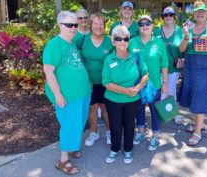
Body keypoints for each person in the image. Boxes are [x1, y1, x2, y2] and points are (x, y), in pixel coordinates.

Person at [43, 11, 92, 175]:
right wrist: (58, 95)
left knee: (79, 122)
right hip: (68, 96)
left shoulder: (71, 43)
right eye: (69, 25)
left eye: (75, 25)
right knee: (70, 125)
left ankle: (71, 148)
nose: (73, 28)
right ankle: (63, 161)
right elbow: (49, 72)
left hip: (82, 93)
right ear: (60, 25)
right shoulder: (54, 45)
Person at [178, 1, 207, 146]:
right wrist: (186, 36)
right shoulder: (189, 27)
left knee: (201, 94)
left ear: (206, 13)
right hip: (190, 62)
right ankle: (200, 123)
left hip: (206, 62)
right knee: (192, 92)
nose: (200, 13)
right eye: (197, 11)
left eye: (202, 11)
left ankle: (197, 132)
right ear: (194, 14)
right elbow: (182, 49)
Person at [102, 25, 148, 164]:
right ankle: (114, 149)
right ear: (113, 41)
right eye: (118, 38)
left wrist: (138, 87)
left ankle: (128, 150)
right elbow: (106, 82)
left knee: (129, 125)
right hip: (113, 100)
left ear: (129, 40)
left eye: (125, 38)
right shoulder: (109, 59)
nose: (122, 41)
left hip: (133, 99)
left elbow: (145, 74)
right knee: (115, 126)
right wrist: (126, 91)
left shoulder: (136, 55)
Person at [129, 15, 169, 151]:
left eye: (148, 24)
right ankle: (140, 132)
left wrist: (165, 83)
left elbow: (164, 64)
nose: (144, 26)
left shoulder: (159, 43)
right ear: (138, 27)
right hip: (138, 83)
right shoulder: (132, 42)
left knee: (154, 110)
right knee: (139, 109)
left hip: (155, 84)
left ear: (152, 26)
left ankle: (156, 137)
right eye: (141, 24)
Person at [76, 13, 113, 147]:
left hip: (106, 82)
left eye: (101, 24)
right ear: (91, 25)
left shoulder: (110, 41)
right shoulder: (82, 40)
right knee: (92, 109)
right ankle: (93, 132)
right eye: (95, 23)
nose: (98, 26)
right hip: (88, 82)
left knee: (105, 108)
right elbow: (76, 58)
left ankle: (109, 131)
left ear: (104, 25)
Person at [153, 6, 184, 124]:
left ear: (174, 17)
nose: (168, 17)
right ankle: (166, 113)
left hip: (173, 66)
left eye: (171, 15)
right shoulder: (156, 31)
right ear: (162, 18)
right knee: (162, 90)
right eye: (165, 15)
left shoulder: (180, 31)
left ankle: (171, 113)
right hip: (158, 67)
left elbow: (184, 47)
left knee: (170, 89)